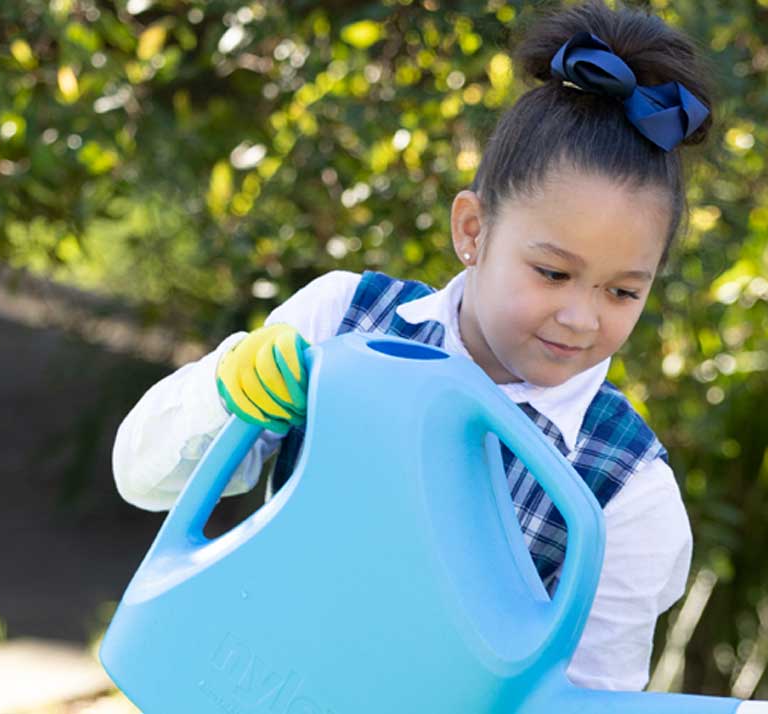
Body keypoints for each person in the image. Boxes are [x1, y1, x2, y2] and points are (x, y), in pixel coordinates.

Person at [112, 2, 713, 691]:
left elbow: (585, 701)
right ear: (473, 230)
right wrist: (226, 390)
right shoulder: (342, 320)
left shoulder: (627, 493)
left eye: (622, 291)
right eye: (552, 273)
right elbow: (142, 479)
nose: (581, 318)